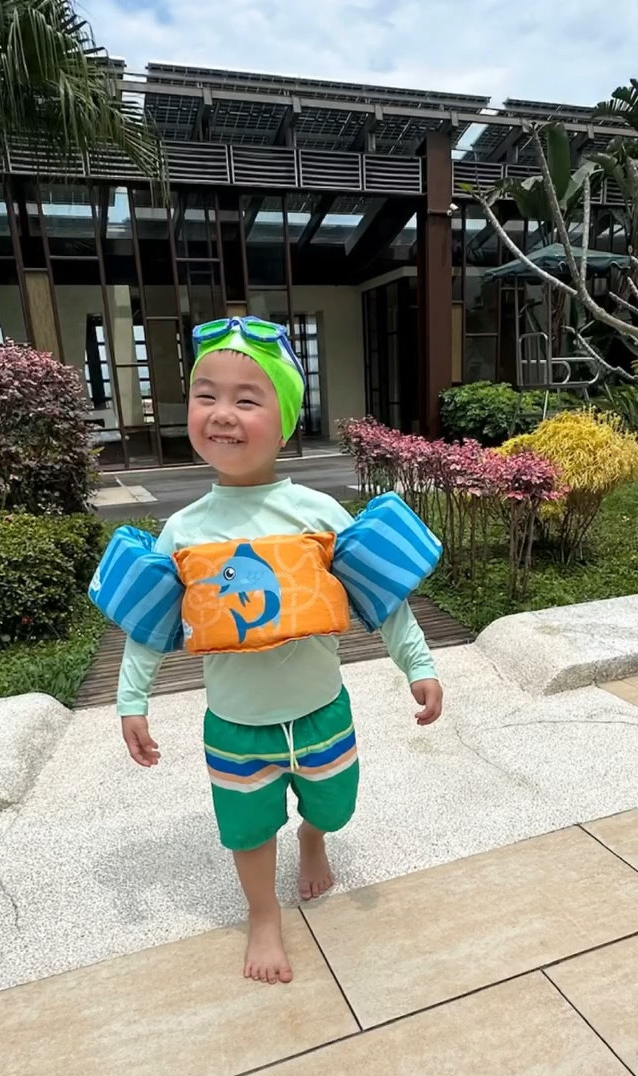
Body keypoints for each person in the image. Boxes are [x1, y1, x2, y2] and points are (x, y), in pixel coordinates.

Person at [117, 317, 443, 985]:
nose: (223, 413)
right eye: (206, 395)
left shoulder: (320, 514)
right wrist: (132, 700)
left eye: (247, 398)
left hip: (322, 711)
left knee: (334, 805)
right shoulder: (182, 531)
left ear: (286, 422)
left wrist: (419, 664)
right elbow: (147, 623)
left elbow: (384, 598)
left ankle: (315, 839)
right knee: (245, 828)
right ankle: (263, 916)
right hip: (236, 725)